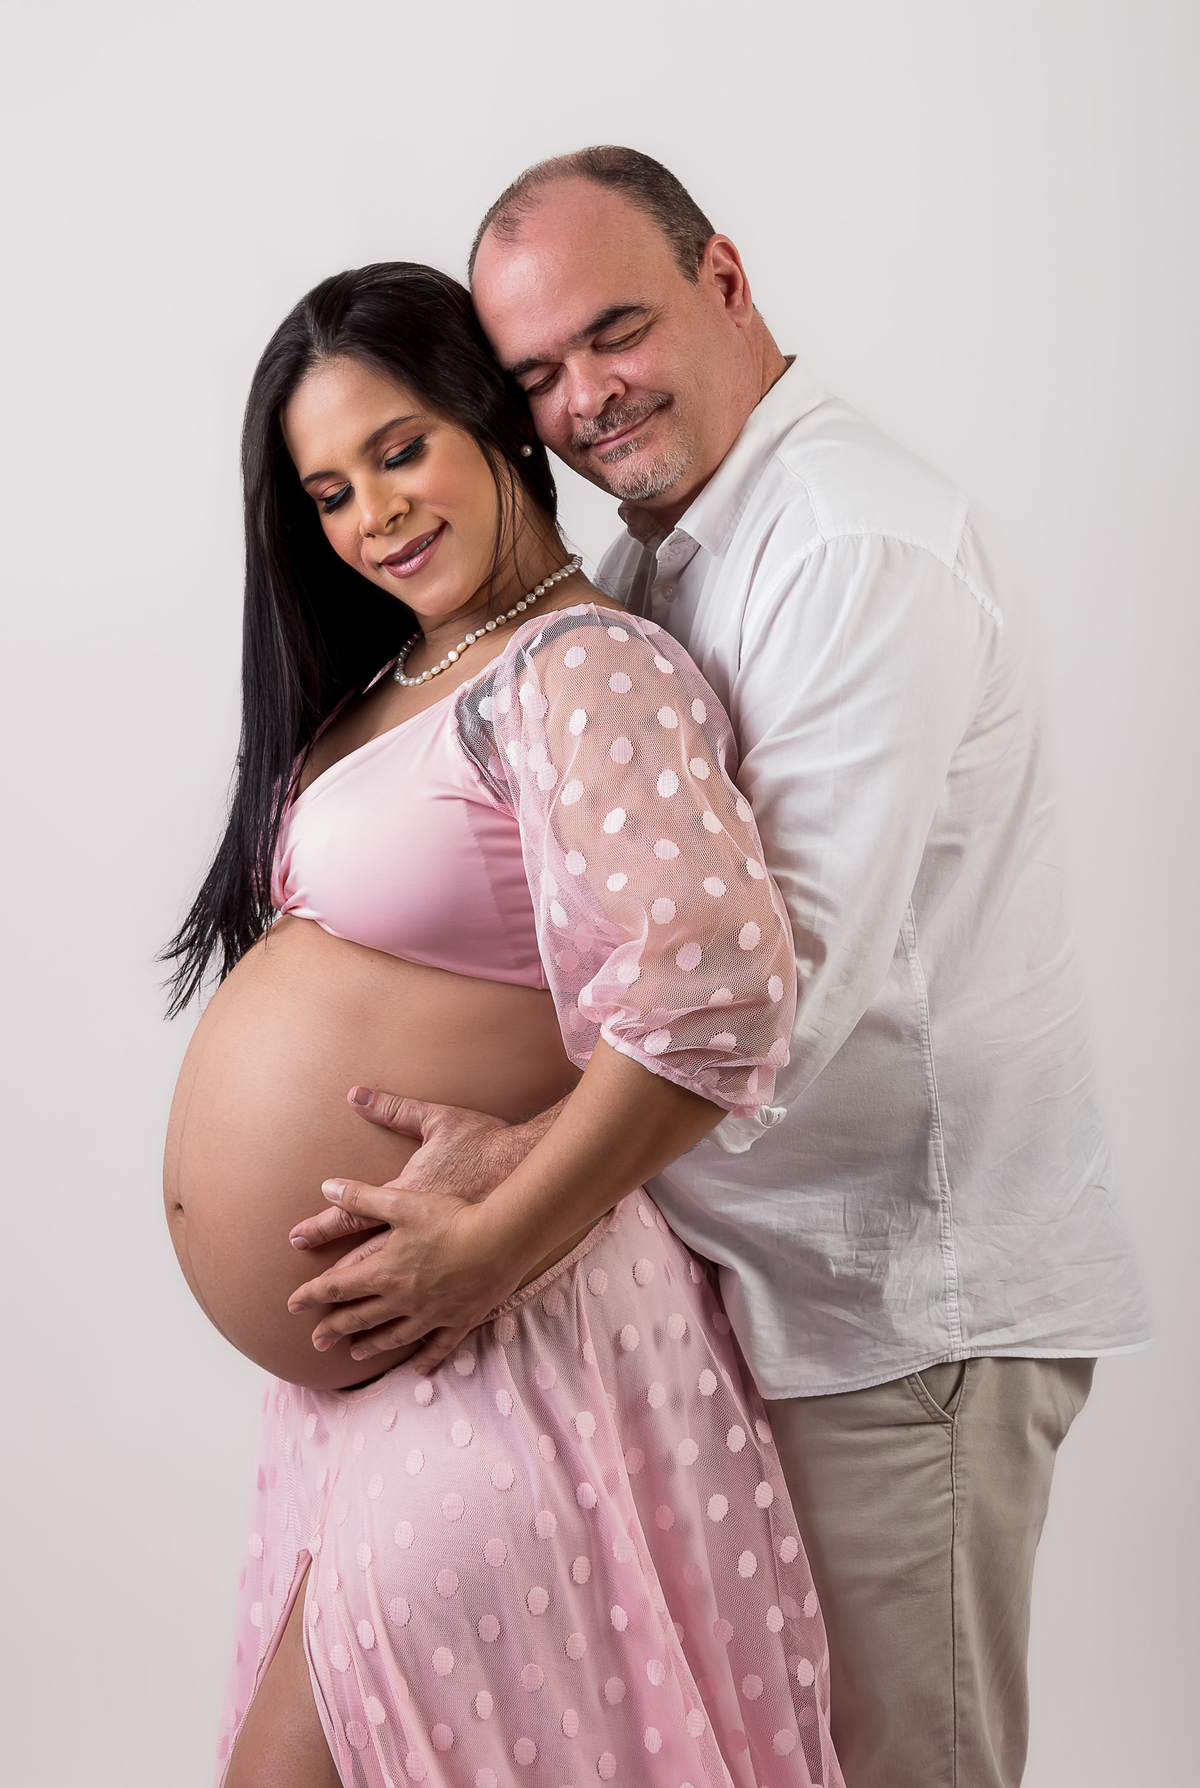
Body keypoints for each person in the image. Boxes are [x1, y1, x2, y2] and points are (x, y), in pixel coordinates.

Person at [286, 150, 1151, 1788]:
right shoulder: (656, 558)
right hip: (741, 1305)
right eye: (536, 373)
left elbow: (773, 1001)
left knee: (903, 1765)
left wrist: (503, 1206)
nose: (586, 398)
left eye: (618, 331)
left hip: (897, 1317)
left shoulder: (848, 547)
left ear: (729, 282)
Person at [163, 261, 843, 1788]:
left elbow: (717, 985)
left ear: (492, 419)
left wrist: (489, 1239)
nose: (374, 514)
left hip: (514, 1327)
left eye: (401, 449)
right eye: (329, 489)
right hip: (392, 1370)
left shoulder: (585, 666)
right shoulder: (404, 674)